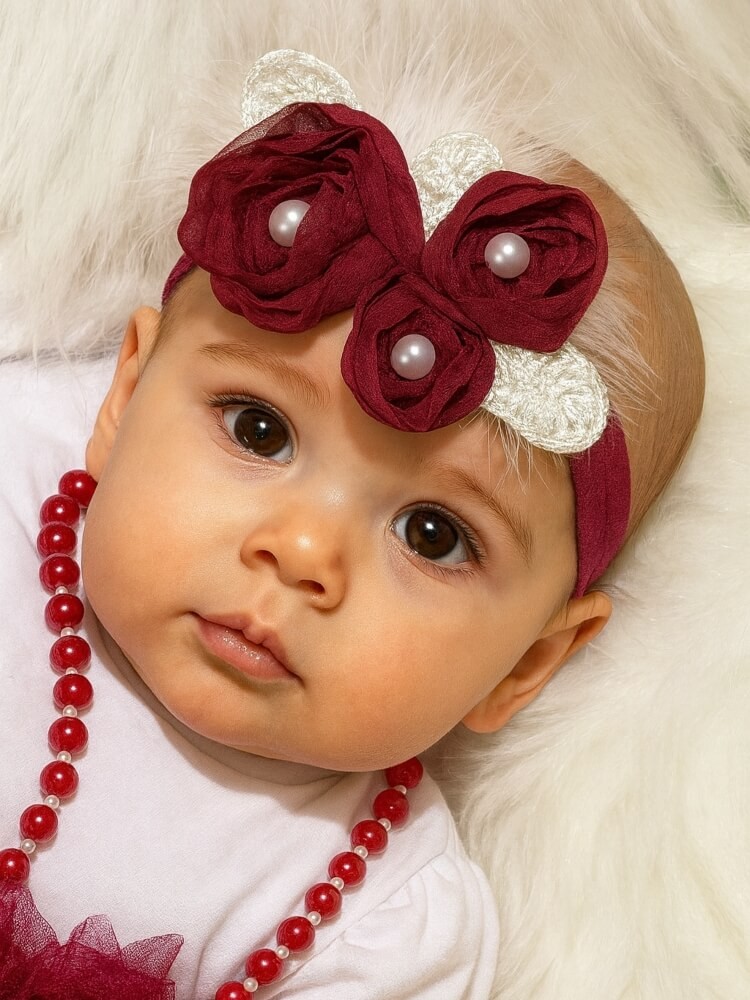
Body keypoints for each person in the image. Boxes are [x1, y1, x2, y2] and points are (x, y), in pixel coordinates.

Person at [0, 50, 704, 999]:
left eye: (433, 534)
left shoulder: (378, 928)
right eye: (260, 428)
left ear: (528, 665)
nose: (300, 553)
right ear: (124, 396)